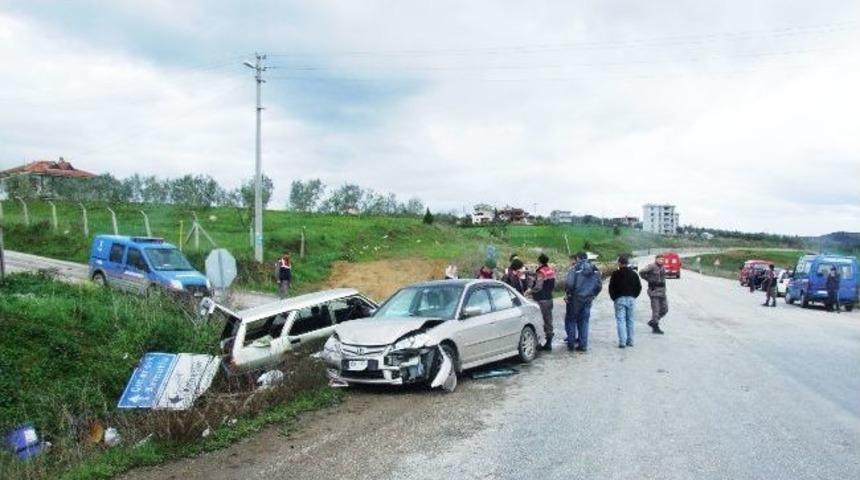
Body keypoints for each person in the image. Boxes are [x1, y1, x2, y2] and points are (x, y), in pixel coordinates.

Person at [565, 251, 602, 352]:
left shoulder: (575, 269)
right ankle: (583, 345)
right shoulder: (594, 269)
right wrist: (593, 295)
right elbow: (599, 285)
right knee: (584, 321)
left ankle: (571, 344)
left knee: (571, 320)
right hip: (588, 298)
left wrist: (568, 293)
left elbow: (569, 284)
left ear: (577, 258)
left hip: (575, 298)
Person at [608, 255, 642, 348]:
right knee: (630, 320)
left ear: (619, 263)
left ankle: (622, 342)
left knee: (621, 320)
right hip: (631, 298)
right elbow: (639, 287)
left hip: (619, 299)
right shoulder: (634, 274)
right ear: (627, 263)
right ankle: (630, 341)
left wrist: (614, 298)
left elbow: (611, 288)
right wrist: (634, 296)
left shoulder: (615, 274)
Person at [531, 253, 556, 351]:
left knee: (541, 320)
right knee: (549, 320)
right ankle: (549, 341)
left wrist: (530, 291)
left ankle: (544, 343)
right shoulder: (550, 270)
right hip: (549, 298)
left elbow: (538, 286)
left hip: (541, 299)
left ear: (539, 261)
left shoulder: (540, 272)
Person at [639, 254, 668, 334]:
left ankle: (653, 321)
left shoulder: (662, 267)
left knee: (665, 309)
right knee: (656, 310)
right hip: (654, 291)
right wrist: (649, 280)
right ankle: (655, 327)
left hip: (662, 291)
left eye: (662, 259)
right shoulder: (651, 266)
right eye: (660, 259)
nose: (661, 261)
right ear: (656, 259)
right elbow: (641, 272)